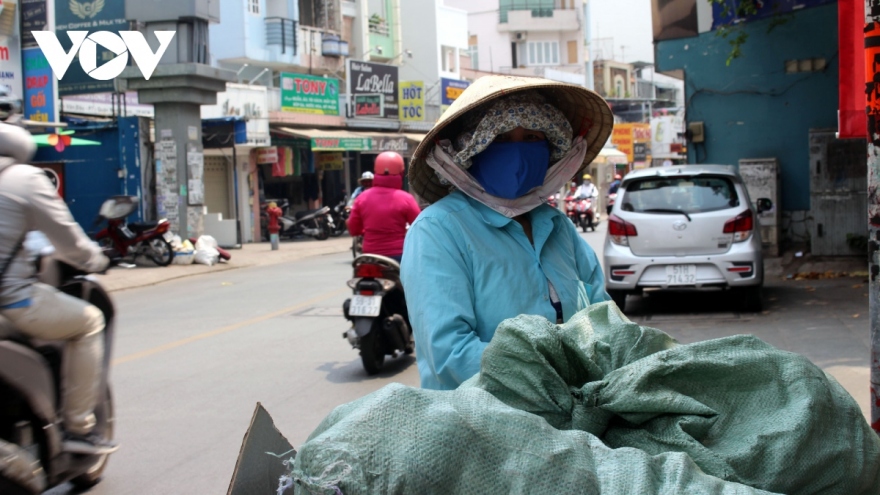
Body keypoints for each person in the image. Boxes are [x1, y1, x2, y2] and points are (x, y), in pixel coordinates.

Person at [401, 75, 614, 390]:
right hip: (482, 419)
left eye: (531, 138)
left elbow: (602, 315)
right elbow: (448, 353)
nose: (517, 153)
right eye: (500, 139)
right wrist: (552, 382)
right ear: (472, 151)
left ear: (550, 148)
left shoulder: (558, 226)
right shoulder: (438, 230)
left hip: (579, 406)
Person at [0, 120, 116, 453]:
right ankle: (78, 427)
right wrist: (97, 260)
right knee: (90, 321)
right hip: (13, 302)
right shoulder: (24, 179)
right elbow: (69, 243)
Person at [346, 152, 420, 262]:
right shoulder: (406, 199)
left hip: (370, 255)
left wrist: (367, 231)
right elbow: (419, 227)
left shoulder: (362, 198)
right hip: (397, 255)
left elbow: (353, 228)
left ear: (376, 171)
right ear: (401, 172)